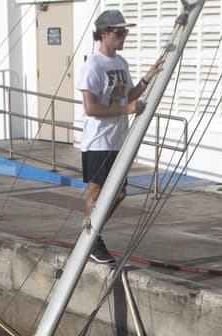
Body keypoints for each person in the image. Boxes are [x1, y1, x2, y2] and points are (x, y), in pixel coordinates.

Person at [77, 9, 162, 265]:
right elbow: (91, 108)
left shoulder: (121, 63)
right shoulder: (93, 66)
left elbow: (128, 96)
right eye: (120, 32)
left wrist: (147, 78)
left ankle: (93, 232)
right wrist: (126, 110)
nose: (124, 36)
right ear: (104, 34)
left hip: (118, 139)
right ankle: (91, 238)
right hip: (98, 140)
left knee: (120, 193)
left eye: (125, 32)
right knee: (97, 191)